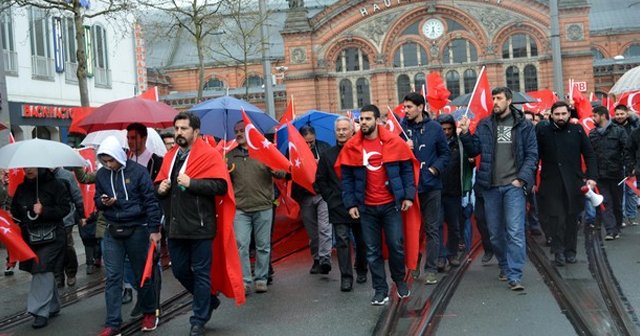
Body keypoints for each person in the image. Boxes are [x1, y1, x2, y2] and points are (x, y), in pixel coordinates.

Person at [156, 112, 233, 336]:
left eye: (183, 129)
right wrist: (159, 189)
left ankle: (198, 319)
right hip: (176, 226)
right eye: (176, 129)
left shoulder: (209, 155)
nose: (178, 133)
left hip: (201, 226)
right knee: (179, 271)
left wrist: (193, 183)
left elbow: (220, 187)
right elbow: (160, 184)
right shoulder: (170, 157)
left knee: (201, 273)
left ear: (196, 132)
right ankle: (208, 299)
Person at [459, 87, 538, 291]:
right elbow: (474, 149)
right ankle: (504, 264)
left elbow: (531, 154)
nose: (495, 101)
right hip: (490, 187)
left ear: (509, 101)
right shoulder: (485, 124)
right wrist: (466, 133)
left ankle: (515, 274)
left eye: (499, 98)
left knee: (514, 231)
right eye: (493, 98)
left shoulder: (524, 125)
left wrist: (521, 179)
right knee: (495, 234)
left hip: (513, 186)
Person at [339, 104, 416, 305]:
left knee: (395, 245)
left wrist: (408, 196)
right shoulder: (352, 146)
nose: (363, 122)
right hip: (366, 207)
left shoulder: (393, 142)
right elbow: (346, 178)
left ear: (377, 120)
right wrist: (350, 204)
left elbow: (407, 169)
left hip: (391, 204)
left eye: (367, 119)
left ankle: (399, 281)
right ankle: (380, 290)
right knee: (372, 251)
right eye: (361, 119)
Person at [94, 136, 162, 335]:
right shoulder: (102, 175)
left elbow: (150, 202)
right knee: (113, 277)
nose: (108, 164)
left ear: (119, 155)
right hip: (112, 229)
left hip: (137, 228)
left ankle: (149, 312)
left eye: (111, 160)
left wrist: (154, 230)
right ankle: (112, 322)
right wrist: (102, 202)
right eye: (104, 161)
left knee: (143, 274)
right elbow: (97, 199)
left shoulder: (138, 172)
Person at [227, 121, 286, 294]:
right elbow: (224, 182)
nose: (238, 134)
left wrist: (274, 170)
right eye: (236, 131)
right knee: (241, 245)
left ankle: (261, 278)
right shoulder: (229, 156)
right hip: (241, 209)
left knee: (263, 245)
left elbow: (283, 172)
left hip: (263, 206)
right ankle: (245, 281)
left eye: (241, 130)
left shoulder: (264, 152)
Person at [536, 101, 597, 265]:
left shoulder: (577, 130)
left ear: (569, 114)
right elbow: (534, 157)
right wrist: (532, 180)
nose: (560, 117)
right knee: (556, 219)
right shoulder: (543, 131)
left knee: (571, 218)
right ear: (551, 115)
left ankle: (570, 251)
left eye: (563, 114)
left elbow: (589, 154)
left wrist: (591, 177)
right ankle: (558, 252)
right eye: (557, 114)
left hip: (573, 182)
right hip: (551, 183)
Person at [400, 92, 450, 284]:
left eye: (409, 107)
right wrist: (403, 147)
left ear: (420, 108)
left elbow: (445, 154)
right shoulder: (401, 129)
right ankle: (413, 263)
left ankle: (430, 268)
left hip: (431, 186)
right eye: (404, 107)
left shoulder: (435, 128)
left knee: (432, 228)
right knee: (412, 229)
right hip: (410, 188)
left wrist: (433, 170)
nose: (406, 111)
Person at [11, 168, 70, 329]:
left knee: (42, 267)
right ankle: (53, 305)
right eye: (26, 166)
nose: (28, 169)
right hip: (30, 237)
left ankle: (39, 311)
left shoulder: (56, 185)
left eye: (32, 165)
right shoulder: (21, 188)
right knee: (42, 269)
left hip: (53, 237)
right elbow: (15, 212)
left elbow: (65, 209)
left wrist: (44, 210)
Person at [315, 116, 368, 292]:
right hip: (337, 205)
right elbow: (320, 180)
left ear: (352, 130)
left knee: (361, 241)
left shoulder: (361, 150)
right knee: (343, 241)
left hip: (360, 204)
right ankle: (346, 278)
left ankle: (361, 268)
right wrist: (330, 198)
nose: (341, 132)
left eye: (345, 129)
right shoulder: (327, 155)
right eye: (339, 130)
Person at [294, 125, 333, 274]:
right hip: (304, 195)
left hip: (322, 194)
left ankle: (325, 259)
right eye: (306, 142)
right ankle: (316, 258)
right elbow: (289, 171)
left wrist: (320, 164)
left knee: (325, 227)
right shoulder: (293, 149)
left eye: (311, 141)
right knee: (312, 232)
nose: (309, 145)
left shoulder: (324, 147)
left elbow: (333, 166)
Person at [589, 106, 631, 240]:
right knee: (605, 201)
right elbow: (590, 154)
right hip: (600, 175)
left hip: (616, 173)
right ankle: (610, 230)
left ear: (602, 116)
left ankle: (617, 226)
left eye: (594, 116)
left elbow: (627, 150)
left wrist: (628, 167)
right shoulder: (593, 133)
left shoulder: (619, 131)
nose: (592, 118)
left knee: (617, 203)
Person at [436, 114, 471, 270]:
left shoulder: (459, 144)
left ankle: (452, 252)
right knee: (436, 226)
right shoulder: (433, 144)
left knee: (454, 226)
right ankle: (440, 256)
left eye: (449, 129)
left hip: (454, 190)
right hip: (436, 191)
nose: (446, 132)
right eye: (443, 129)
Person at [51, 167, 85, 288]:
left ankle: (71, 272)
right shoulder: (41, 176)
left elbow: (77, 196)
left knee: (67, 246)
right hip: (50, 218)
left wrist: (82, 215)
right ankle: (58, 276)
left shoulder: (66, 176)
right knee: (54, 248)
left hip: (66, 217)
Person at [612, 104, 639, 227]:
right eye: (617, 114)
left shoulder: (634, 127)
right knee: (620, 192)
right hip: (617, 163)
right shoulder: (611, 127)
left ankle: (632, 216)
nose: (619, 116)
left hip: (632, 164)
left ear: (627, 114)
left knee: (631, 192)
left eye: (622, 114)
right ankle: (621, 217)